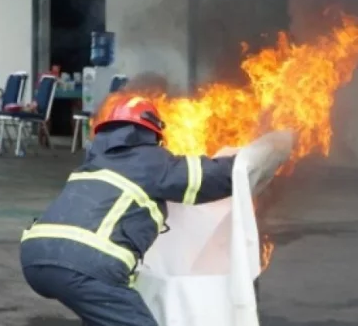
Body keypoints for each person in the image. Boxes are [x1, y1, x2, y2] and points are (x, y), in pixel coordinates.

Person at [20, 94, 240, 326]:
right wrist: (250, 160)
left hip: (35, 258)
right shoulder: (150, 160)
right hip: (86, 266)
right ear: (151, 133)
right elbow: (211, 178)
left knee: (100, 316)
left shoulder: (94, 162)